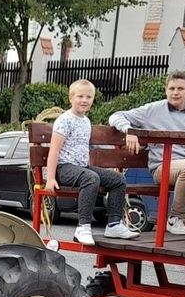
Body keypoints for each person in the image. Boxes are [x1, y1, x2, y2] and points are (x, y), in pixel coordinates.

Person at [110, 71, 185, 235]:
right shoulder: (153, 109)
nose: (175, 92)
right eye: (172, 88)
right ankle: (175, 218)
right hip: (163, 167)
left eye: (180, 88)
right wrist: (129, 131)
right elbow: (117, 115)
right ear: (166, 90)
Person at [44, 79, 137, 245]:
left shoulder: (85, 121)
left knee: (118, 180)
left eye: (88, 97)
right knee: (91, 178)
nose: (84, 100)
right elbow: (54, 150)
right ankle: (83, 227)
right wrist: (50, 178)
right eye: (80, 96)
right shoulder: (65, 120)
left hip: (81, 168)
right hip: (64, 169)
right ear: (71, 98)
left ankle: (114, 224)